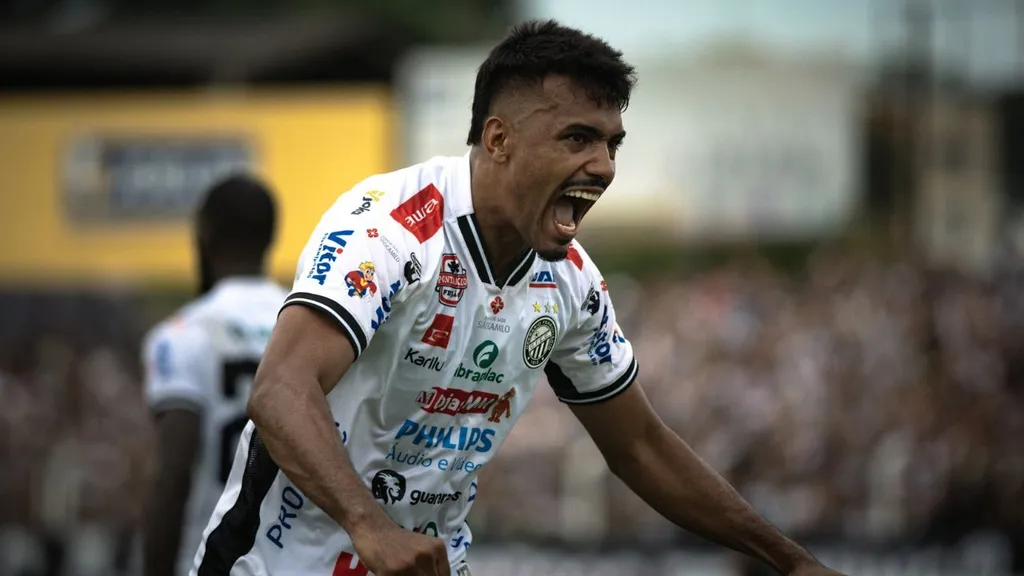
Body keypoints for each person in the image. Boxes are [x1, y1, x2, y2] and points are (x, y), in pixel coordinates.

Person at [191, 20, 847, 576]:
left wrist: (789, 561)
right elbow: (280, 389)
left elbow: (640, 447)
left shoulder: (573, 285)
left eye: (611, 143)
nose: (604, 166)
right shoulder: (390, 229)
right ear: (499, 139)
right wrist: (370, 526)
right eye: (577, 138)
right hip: (273, 562)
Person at [141, 174, 287, 576]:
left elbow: (173, 472)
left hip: (209, 559)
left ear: (204, 233)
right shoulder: (304, 327)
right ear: (270, 236)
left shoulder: (181, 335)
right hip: (290, 557)